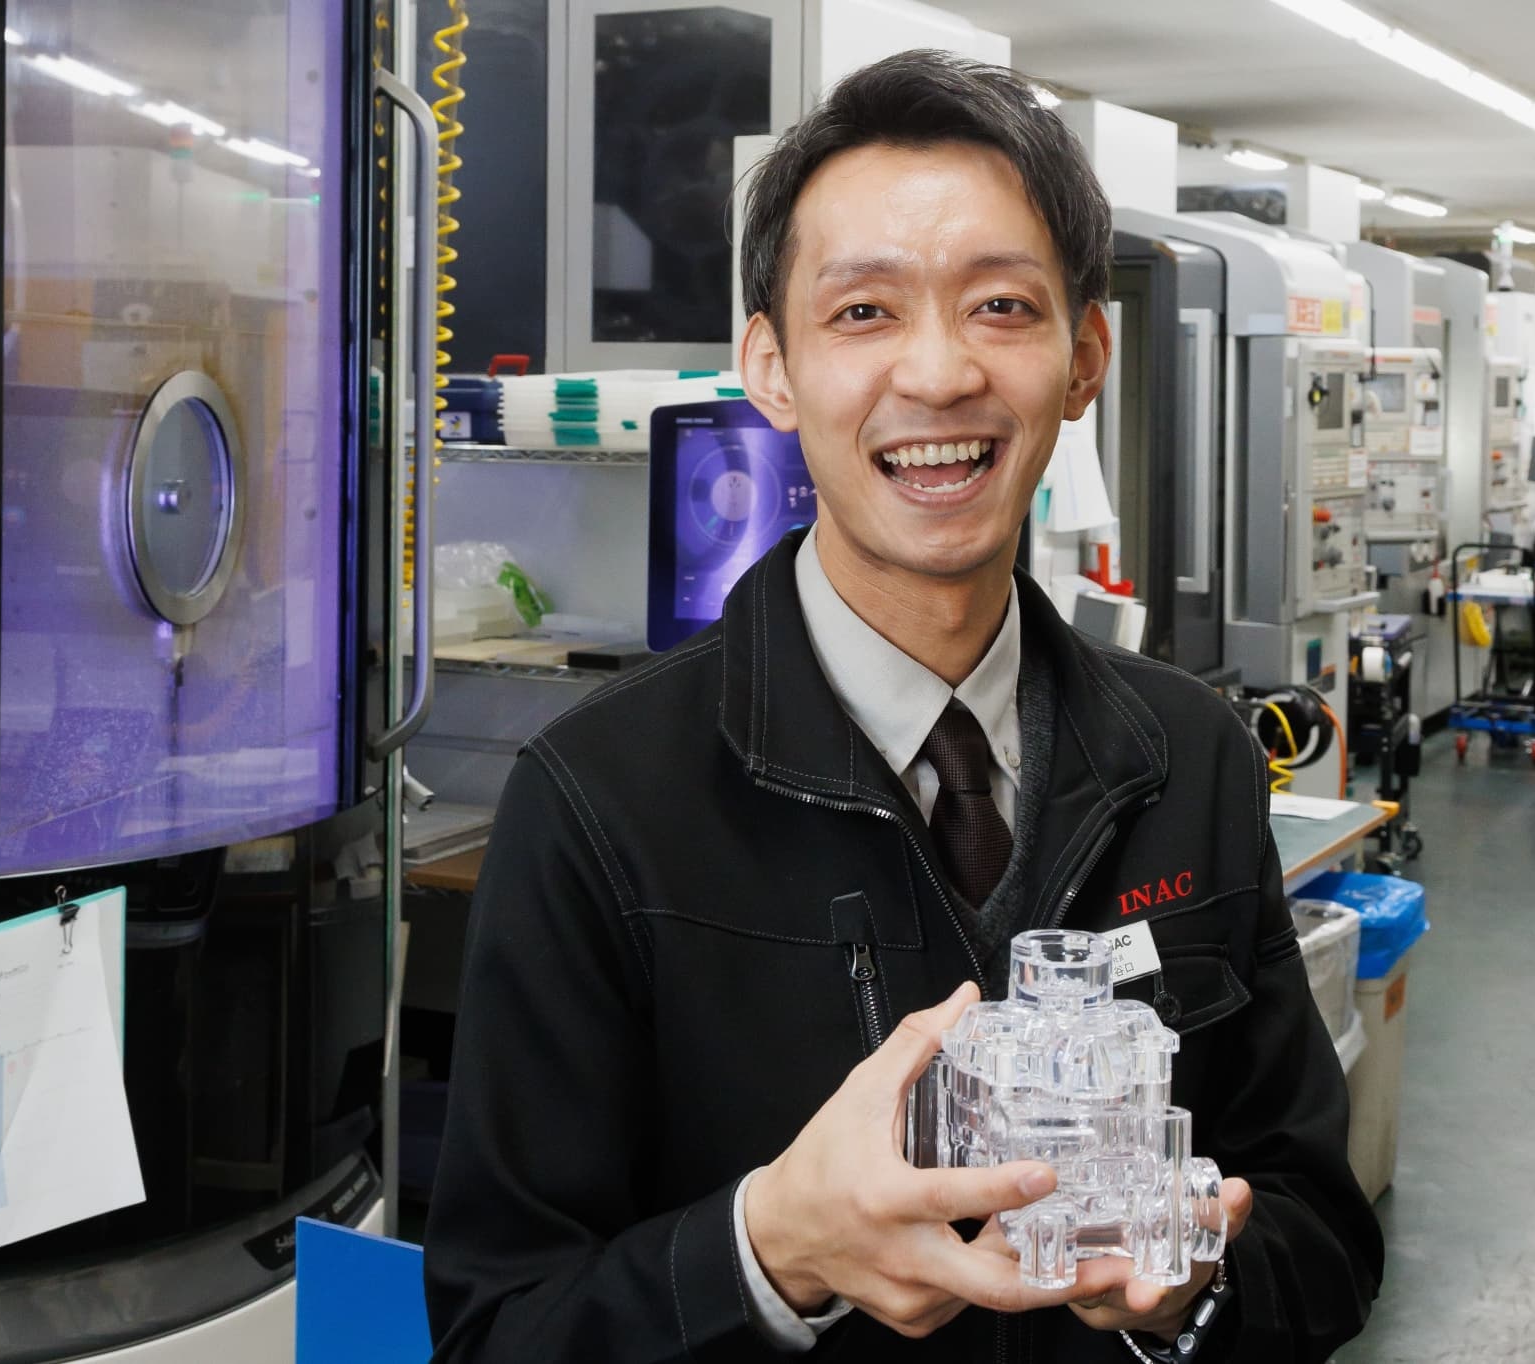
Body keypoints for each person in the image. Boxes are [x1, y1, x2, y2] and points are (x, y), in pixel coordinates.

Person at [423, 51, 1381, 1362]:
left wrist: (1195, 1281)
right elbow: (500, 1329)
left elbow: (1325, 1240)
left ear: (1084, 357)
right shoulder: (598, 801)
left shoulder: (1189, 759)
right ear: (770, 366)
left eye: (1001, 306)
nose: (936, 374)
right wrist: (770, 1252)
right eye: (864, 311)